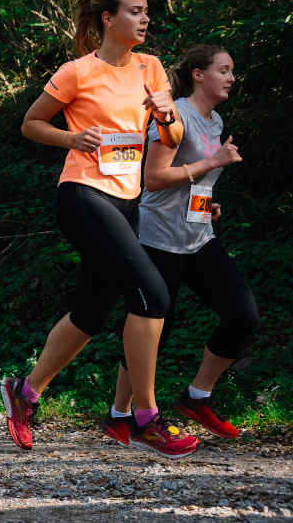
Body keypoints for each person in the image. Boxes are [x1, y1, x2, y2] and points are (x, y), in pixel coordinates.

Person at [9, 0, 201, 459]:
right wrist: (70, 140)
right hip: (82, 195)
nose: (144, 19)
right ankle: (145, 416)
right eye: (135, 12)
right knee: (153, 294)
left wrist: (166, 114)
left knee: (91, 314)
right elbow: (31, 123)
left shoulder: (151, 68)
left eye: (146, 12)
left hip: (125, 199)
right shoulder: (77, 72)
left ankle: (25, 392)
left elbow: (173, 140)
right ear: (108, 20)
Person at [100, 45, 259, 445]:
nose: (232, 78)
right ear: (200, 75)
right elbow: (153, 179)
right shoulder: (176, 115)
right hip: (159, 239)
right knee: (153, 330)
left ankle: (197, 396)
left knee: (243, 315)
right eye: (224, 70)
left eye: (232, 71)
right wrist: (212, 163)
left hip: (199, 236)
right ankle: (120, 414)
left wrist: (207, 204)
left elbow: (195, 179)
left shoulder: (214, 119)